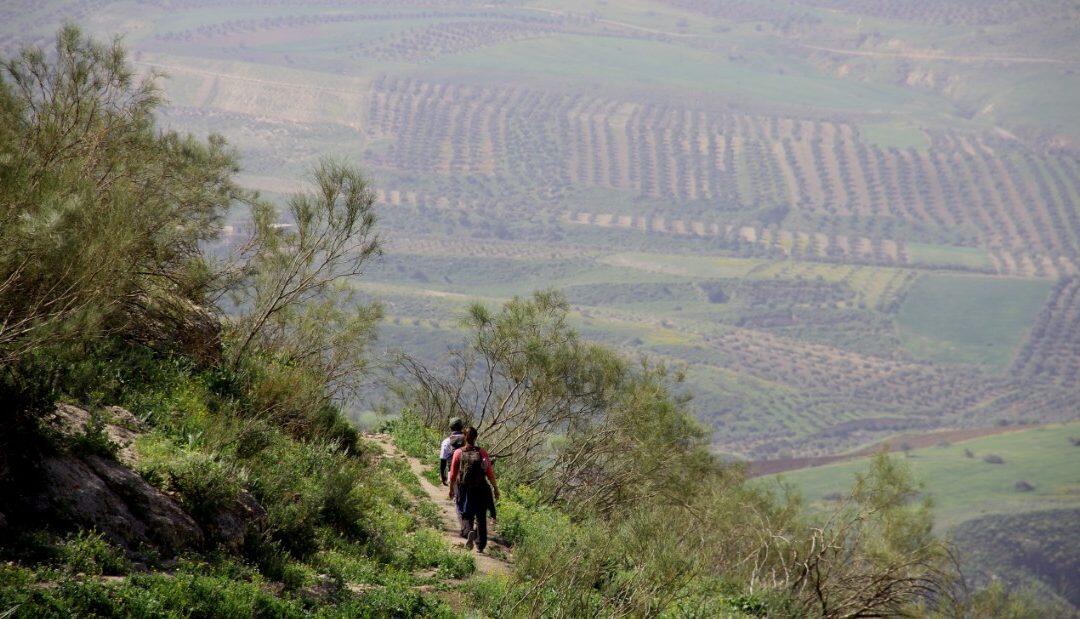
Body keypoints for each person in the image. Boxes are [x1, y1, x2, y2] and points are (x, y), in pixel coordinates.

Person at [448, 426, 499, 553]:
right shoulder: (482, 452)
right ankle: (480, 545)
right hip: (481, 488)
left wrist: (451, 489)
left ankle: (468, 531)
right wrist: (495, 488)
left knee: (466, 514)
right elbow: (489, 473)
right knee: (481, 516)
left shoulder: (458, 453)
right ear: (476, 438)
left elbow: (453, 474)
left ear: (464, 437)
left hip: (464, 489)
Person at [438, 417, 465, 487]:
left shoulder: (446, 441)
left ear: (450, 428)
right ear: (462, 427)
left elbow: (443, 460)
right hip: (468, 473)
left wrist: (443, 476)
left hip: (453, 473)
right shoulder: (468, 440)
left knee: (454, 495)